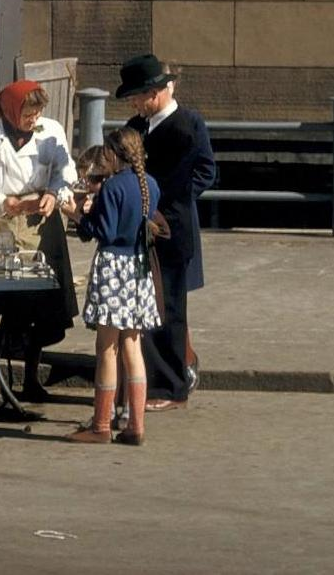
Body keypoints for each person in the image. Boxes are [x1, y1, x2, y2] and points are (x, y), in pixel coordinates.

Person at [0, 79, 80, 405]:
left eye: (38, 110)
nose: (35, 117)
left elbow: (66, 173)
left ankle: (30, 376)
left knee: (38, 305)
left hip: (40, 227)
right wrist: (6, 203)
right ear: (12, 110)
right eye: (29, 111)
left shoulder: (51, 131)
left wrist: (55, 193)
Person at [116, 54, 216, 411]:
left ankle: (173, 386)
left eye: (136, 97)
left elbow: (205, 171)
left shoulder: (187, 123)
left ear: (154, 93)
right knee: (147, 307)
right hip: (141, 229)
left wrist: (169, 202)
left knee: (170, 308)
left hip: (171, 227)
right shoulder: (137, 126)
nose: (134, 104)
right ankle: (149, 381)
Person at [60, 127, 162, 445]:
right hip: (138, 267)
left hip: (113, 267)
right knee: (133, 346)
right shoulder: (150, 185)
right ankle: (136, 424)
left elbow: (104, 232)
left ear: (114, 154)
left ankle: (102, 425)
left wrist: (75, 214)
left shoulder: (112, 187)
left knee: (107, 348)